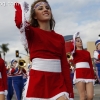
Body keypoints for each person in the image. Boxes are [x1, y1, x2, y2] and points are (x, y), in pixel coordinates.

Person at [14, 0, 74, 100]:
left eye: (47, 8)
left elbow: (64, 65)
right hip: (38, 81)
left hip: (57, 82)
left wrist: (70, 91)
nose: (45, 10)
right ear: (35, 16)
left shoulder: (59, 38)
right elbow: (20, 23)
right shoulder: (31, 32)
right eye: (40, 8)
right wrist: (20, 10)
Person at [70, 32, 95, 100]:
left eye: (81, 41)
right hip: (79, 73)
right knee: (83, 96)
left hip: (88, 73)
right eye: (77, 41)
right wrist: (74, 37)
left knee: (90, 96)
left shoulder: (87, 52)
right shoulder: (74, 52)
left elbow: (90, 64)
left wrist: (93, 76)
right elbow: (71, 48)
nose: (80, 42)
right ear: (74, 43)